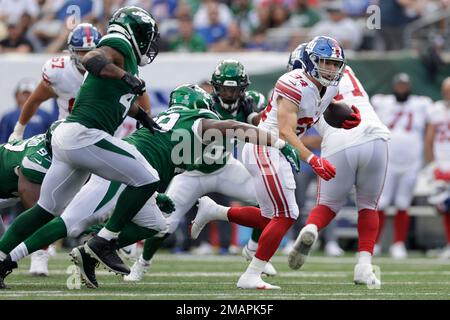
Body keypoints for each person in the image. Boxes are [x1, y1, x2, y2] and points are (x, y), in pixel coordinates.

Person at [0, 84, 299, 289]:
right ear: (199, 106)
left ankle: (93, 250)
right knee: (70, 222)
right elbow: (235, 128)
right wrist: (278, 142)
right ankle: (8, 260)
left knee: (158, 225)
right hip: (121, 172)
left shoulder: (166, 120)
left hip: (138, 177)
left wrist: (156, 193)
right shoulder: (197, 120)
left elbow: (157, 158)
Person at [0, 6, 161, 279]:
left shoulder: (125, 58)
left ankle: (3, 259)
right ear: (134, 31)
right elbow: (94, 59)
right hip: (84, 136)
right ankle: (104, 241)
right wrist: (125, 76)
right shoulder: (116, 43)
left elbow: (117, 99)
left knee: (45, 210)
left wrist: (142, 116)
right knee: (148, 178)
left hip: (70, 139)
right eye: (146, 35)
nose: (149, 42)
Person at [191, 36, 360, 290]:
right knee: (287, 214)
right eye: (324, 63)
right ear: (309, 62)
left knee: (271, 217)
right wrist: (313, 160)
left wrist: (344, 114)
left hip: (277, 151)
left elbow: (323, 104)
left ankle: (215, 211)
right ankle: (251, 274)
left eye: (335, 64)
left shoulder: (329, 87)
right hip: (266, 146)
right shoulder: (292, 83)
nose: (330, 69)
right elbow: (285, 132)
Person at [124, 60, 277, 282]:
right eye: (224, 88)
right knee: (164, 224)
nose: (229, 93)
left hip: (225, 167)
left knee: (268, 200)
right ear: (215, 86)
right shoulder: (203, 103)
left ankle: (253, 248)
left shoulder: (248, 103)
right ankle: (142, 264)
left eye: (234, 89)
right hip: (191, 172)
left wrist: (261, 116)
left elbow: (256, 122)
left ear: (243, 88)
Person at [286, 43, 390, 286]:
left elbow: (289, 128)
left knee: (328, 205)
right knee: (368, 207)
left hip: (339, 139)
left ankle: (311, 227)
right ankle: (364, 266)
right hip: (375, 134)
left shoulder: (296, 83)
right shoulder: (346, 70)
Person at [372, 73, 433, 258]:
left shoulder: (421, 104)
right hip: (387, 160)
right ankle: (374, 243)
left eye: (404, 86)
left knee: (403, 203)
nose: (401, 89)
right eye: (398, 85)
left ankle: (398, 243)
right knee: (381, 203)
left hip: (411, 163)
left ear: (409, 87)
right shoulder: (382, 102)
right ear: (393, 86)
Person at [7, 23, 102, 143]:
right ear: (72, 51)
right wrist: (18, 131)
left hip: (101, 133)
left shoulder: (110, 71)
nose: (87, 56)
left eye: (91, 51)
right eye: (82, 51)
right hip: (67, 136)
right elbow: (34, 100)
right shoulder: (59, 71)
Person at [0, 122, 60, 283]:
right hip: (6, 191)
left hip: (6, 192)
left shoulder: (53, 149)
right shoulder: (37, 160)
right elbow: (35, 210)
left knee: (3, 243)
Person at [425, 77, 450, 259]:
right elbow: (429, 140)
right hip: (441, 164)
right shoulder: (436, 109)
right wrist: (432, 165)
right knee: (445, 207)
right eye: (446, 89)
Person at [0, 79, 53, 143]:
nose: (27, 97)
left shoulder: (46, 116)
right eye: (24, 94)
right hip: (15, 152)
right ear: (17, 96)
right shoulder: (8, 117)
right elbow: (3, 140)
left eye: (29, 94)